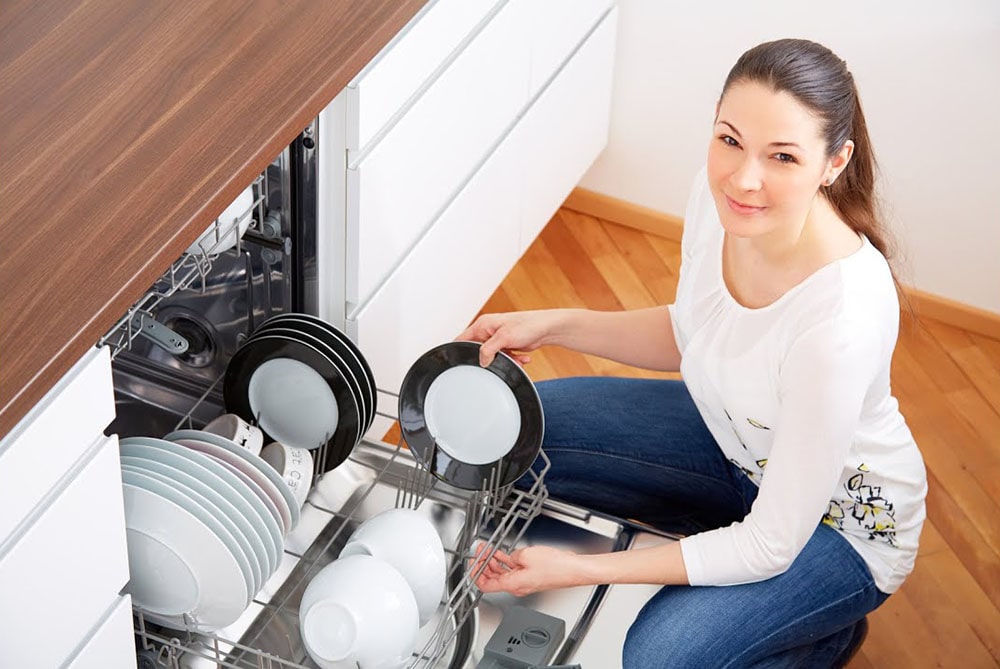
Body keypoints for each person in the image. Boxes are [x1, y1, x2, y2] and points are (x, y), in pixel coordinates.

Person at [460, 38, 927, 668]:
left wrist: (575, 568)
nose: (744, 178)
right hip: (736, 448)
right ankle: (734, 573)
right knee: (522, 428)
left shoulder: (838, 321)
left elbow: (768, 545)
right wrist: (552, 325)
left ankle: (824, 633)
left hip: (837, 528)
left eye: (783, 156)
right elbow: (694, 332)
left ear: (833, 162)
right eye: (729, 139)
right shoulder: (725, 201)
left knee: (661, 657)